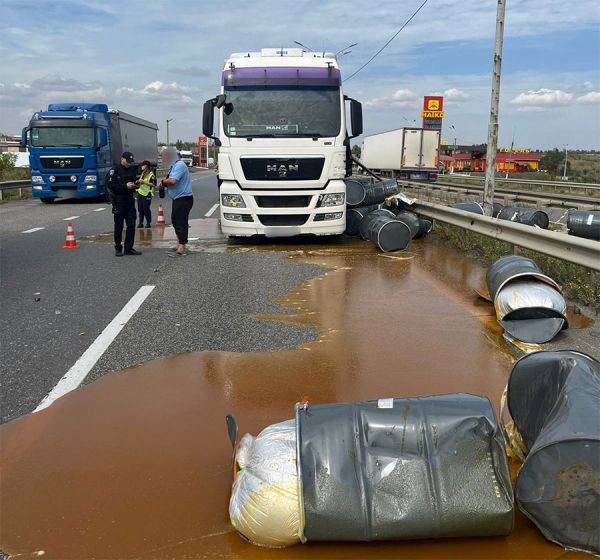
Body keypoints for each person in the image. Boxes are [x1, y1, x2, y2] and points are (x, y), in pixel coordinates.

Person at [160, 147, 193, 256]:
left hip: (183, 198)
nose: (163, 159)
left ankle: (182, 247)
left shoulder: (179, 165)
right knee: (175, 221)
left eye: (164, 156)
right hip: (178, 198)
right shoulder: (173, 166)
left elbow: (173, 181)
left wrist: (163, 182)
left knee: (181, 222)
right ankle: (179, 243)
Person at [107, 151, 142, 256]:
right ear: (122, 159)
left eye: (130, 161)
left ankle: (129, 248)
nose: (129, 163)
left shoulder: (132, 170)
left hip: (130, 200)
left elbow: (134, 181)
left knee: (131, 225)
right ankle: (118, 248)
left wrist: (136, 185)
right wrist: (125, 186)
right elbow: (111, 185)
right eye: (127, 161)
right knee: (119, 225)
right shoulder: (115, 170)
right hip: (119, 201)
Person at [136, 160, 155, 228]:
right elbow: (141, 182)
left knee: (146, 208)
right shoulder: (143, 173)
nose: (141, 167)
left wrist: (144, 182)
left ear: (146, 166)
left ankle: (148, 223)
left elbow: (153, 184)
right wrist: (138, 181)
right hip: (140, 193)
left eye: (142, 165)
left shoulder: (151, 174)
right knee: (140, 209)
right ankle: (140, 223)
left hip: (147, 193)